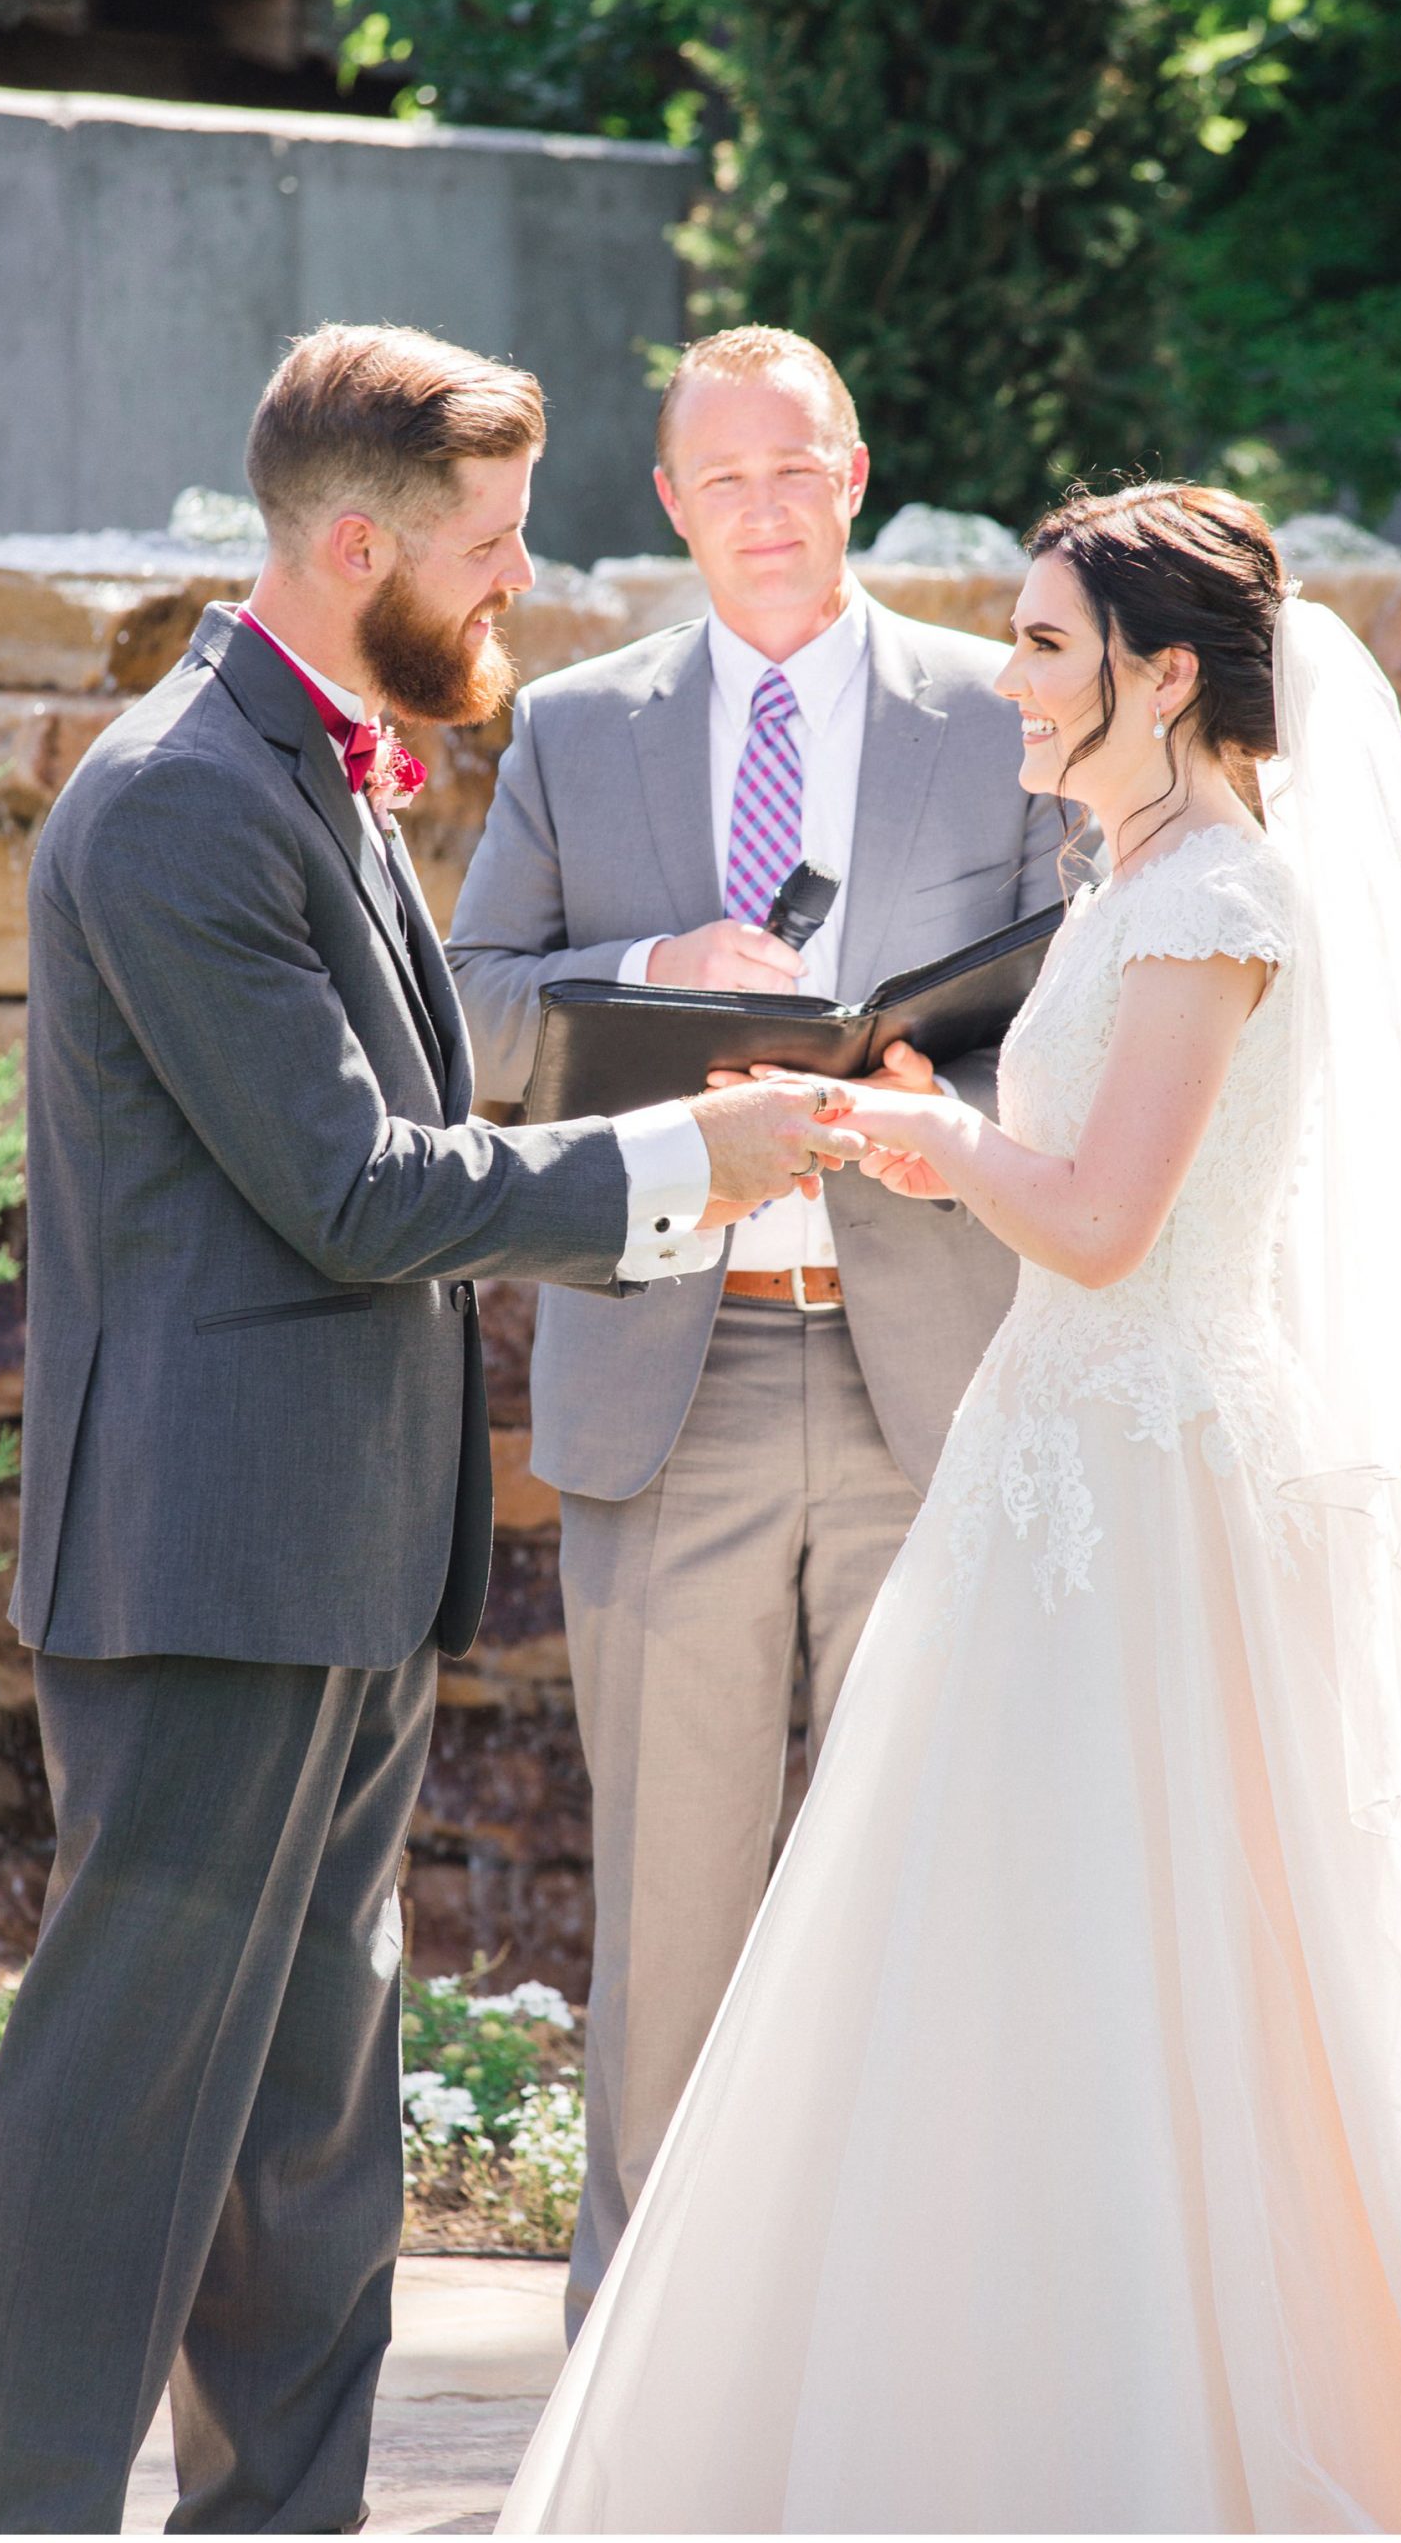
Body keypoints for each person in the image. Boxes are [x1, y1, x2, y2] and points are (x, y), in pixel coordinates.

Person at [0, 322, 865, 2538]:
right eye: (494, 544)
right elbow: (349, 1187)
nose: (520, 581)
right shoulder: (172, 802)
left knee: (311, 2143)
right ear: (360, 545)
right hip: (207, 1572)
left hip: (337, 1557)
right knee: (124, 2122)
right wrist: (684, 1161)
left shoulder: (313, 766)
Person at [497, 482, 1401, 2535]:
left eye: (1046, 647)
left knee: (1164, 1965)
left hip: (1144, 1503)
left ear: (1155, 671)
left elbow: (1111, 1223)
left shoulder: (1222, 894)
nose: (1014, 680)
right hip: (1050, 1467)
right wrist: (906, 1130)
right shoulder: (1132, 880)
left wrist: (920, 1143)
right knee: (988, 1964)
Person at [446, 325, 1060, 2336]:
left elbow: (1084, 1007)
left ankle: (899, 2341)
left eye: (796, 468)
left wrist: (939, 1095)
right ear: (669, 504)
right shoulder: (576, 727)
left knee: (923, 1884)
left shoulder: (999, 712)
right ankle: (643, 2355)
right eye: (725, 480)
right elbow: (465, 1021)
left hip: (933, 1382)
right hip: (670, 1377)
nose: (767, 511)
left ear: (857, 468)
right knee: (678, 1905)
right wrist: (651, 968)